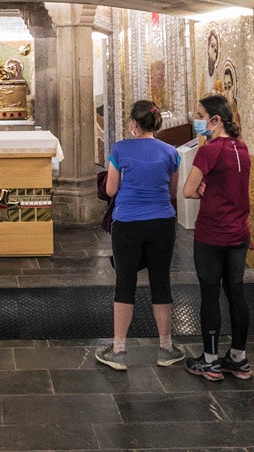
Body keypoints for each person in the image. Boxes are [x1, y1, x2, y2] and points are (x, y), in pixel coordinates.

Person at [94, 100, 183, 371]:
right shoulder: (171, 152)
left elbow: (110, 190)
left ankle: (119, 350)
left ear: (133, 123)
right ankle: (166, 348)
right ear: (157, 123)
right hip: (162, 222)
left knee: (125, 282)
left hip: (128, 223)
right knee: (161, 281)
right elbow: (171, 192)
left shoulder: (120, 149)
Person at [183, 94, 253, 381]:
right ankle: (238, 358)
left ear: (215, 120)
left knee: (210, 294)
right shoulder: (242, 147)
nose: (196, 120)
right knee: (236, 292)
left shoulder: (209, 150)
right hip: (239, 232)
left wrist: (202, 190)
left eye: (200, 114)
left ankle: (210, 361)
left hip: (212, 233)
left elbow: (188, 190)